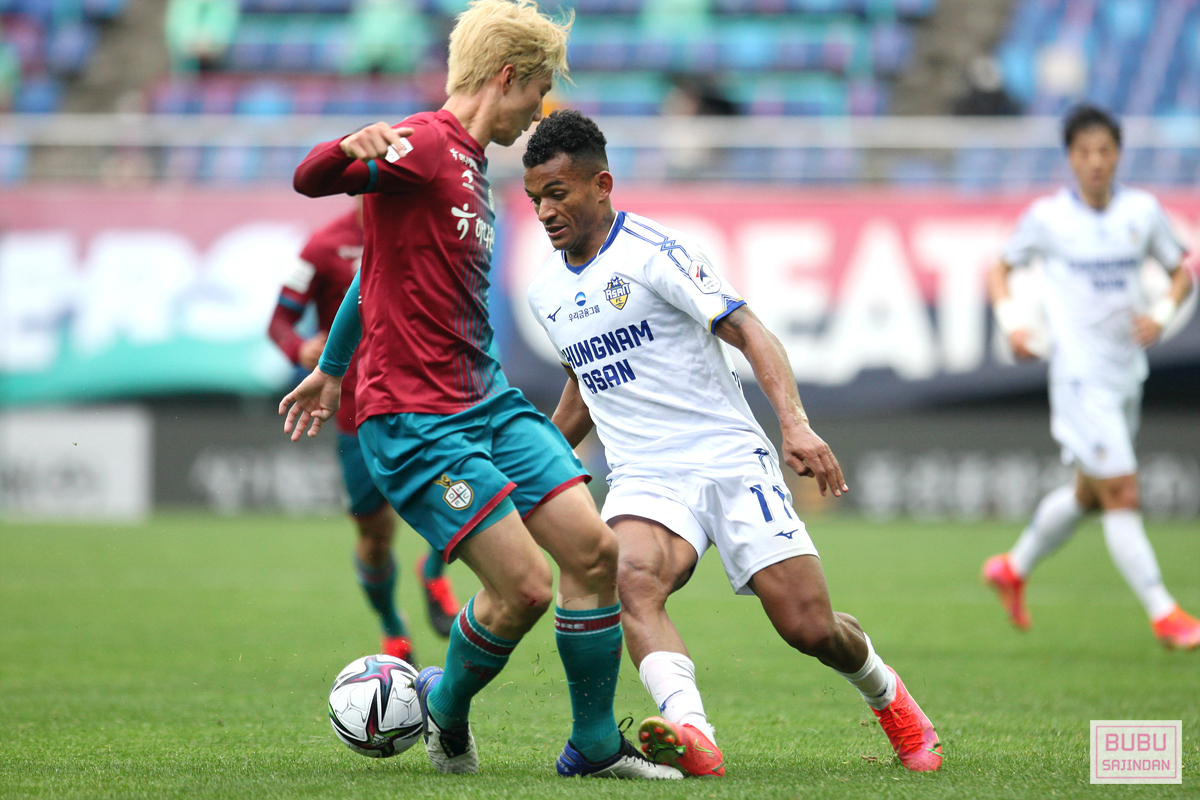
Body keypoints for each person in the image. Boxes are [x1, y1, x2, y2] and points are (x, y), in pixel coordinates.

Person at [279, 0, 679, 780]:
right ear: (509, 76)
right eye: (540, 92)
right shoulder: (425, 143)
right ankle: (446, 709)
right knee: (524, 588)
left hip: (487, 402)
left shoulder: (468, 165)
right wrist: (345, 146)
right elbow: (310, 178)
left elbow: (373, 271)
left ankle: (594, 746)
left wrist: (330, 365)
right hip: (418, 420)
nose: (539, 112)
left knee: (594, 553)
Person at [521, 109, 944, 776]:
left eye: (557, 193)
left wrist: (794, 423)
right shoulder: (546, 292)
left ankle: (888, 695)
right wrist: (536, 463)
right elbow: (587, 386)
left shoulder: (656, 253)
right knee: (630, 579)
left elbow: (749, 331)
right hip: (643, 475)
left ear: (601, 185)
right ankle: (693, 731)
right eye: (535, 199)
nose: (545, 211)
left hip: (727, 458)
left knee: (809, 626)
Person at [983, 104, 1199, 650]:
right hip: (1079, 380)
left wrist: (1162, 315)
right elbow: (999, 270)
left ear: (1118, 154)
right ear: (1071, 158)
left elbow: (1181, 273)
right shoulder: (1048, 218)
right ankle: (1164, 613)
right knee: (1121, 490)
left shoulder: (1142, 212)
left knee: (1090, 494)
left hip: (1126, 374)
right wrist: (1012, 325)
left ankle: (1013, 567)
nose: (1096, 162)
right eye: (1085, 152)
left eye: (1105, 151)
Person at [267, 203, 461, 663]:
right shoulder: (323, 248)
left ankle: (433, 571)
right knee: (375, 538)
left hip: (426, 400)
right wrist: (301, 349)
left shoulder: (426, 227)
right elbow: (279, 322)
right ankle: (392, 624)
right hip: (357, 414)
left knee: (460, 501)